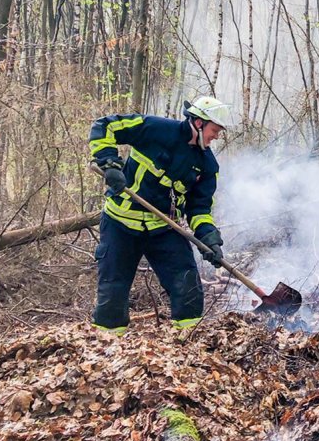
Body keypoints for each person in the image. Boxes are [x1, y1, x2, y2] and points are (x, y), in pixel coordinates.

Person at [87, 96, 232, 335]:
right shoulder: (156, 129)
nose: (216, 136)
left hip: (163, 229)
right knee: (113, 293)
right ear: (198, 123)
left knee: (188, 288)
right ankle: (108, 347)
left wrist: (209, 238)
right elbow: (105, 125)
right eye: (215, 130)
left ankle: (188, 346)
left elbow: (200, 208)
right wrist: (109, 164)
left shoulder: (207, 165)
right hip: (120, 224)